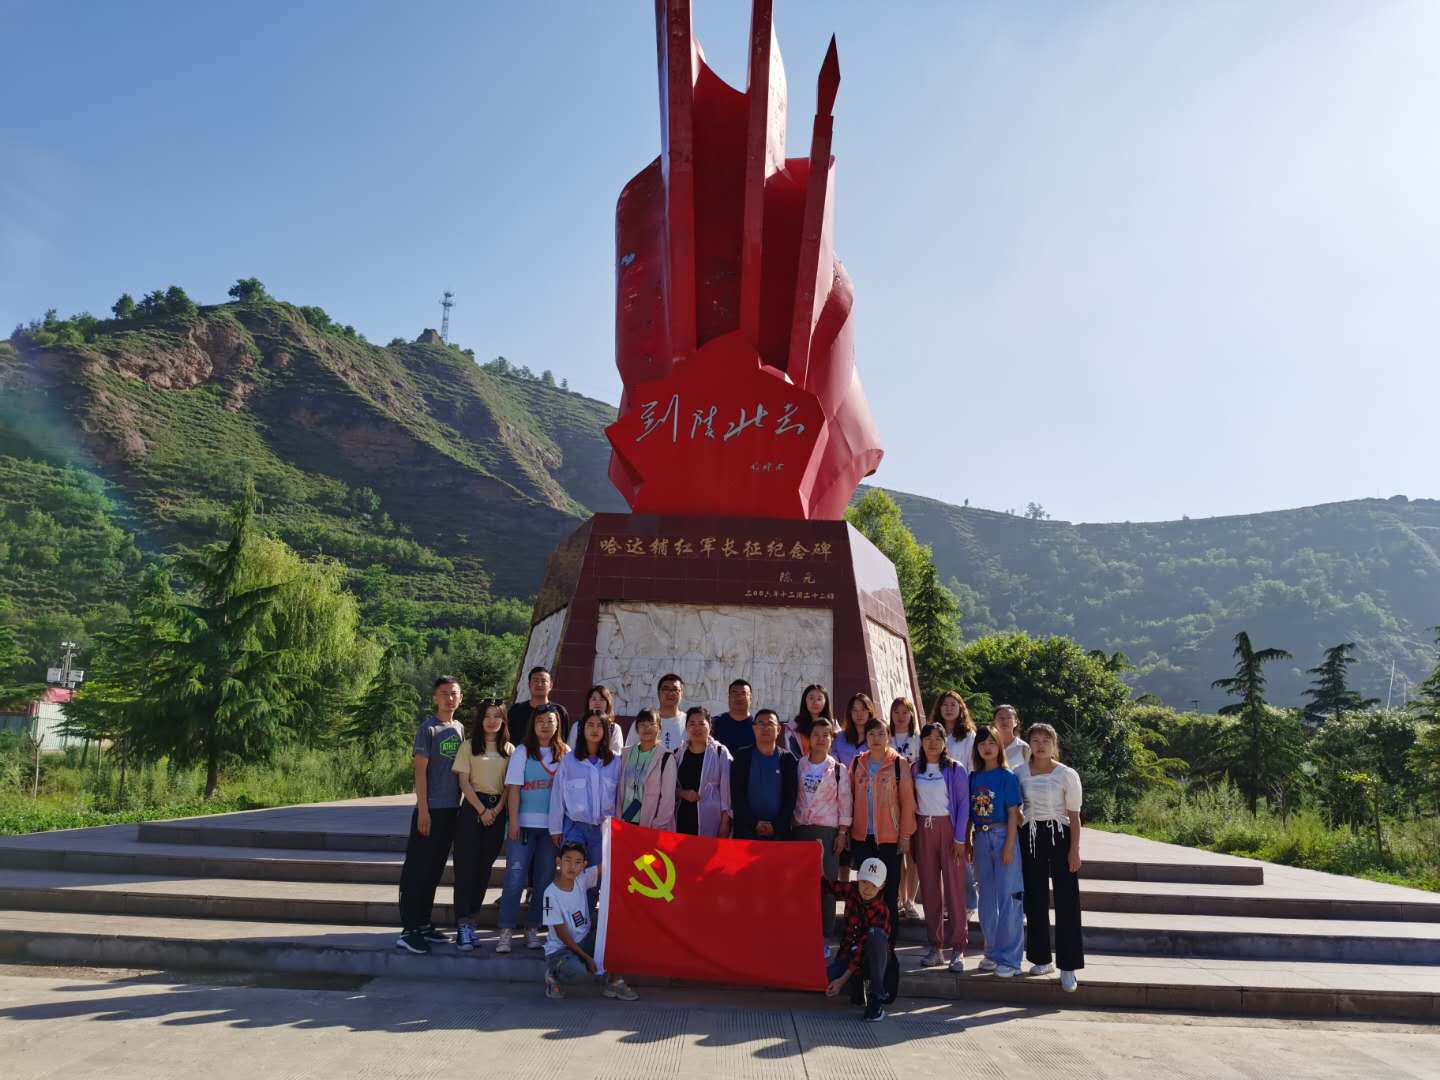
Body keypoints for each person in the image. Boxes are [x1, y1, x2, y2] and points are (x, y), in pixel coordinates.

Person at [396, 676, 465, 954]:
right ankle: (409, 930)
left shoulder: (459, 728)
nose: (450, 698)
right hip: (430, 810)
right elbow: (420, 772)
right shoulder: (428, 729)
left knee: (434, 870)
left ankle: (424, 923)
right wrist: (423, 809)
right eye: (444, 693)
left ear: (461, 697)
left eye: (454, 693)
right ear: (435, 697)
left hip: (451, 810)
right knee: (418, 871)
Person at [1015, 722, 1084, 992]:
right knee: (1035, 898)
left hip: (1060, 836)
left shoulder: (1066, 774)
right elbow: (1015, 809)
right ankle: (1041, 959)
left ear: (1054, 744)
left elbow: (1075, 817)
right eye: (1036, 740)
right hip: (1030, 836)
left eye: (1046, 740)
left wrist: (1074, 850)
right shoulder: (1019, 773)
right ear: (1029, 744)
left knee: (1067, 900)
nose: (1040, 745)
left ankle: (1068, 966)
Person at [496, 704, 568, 955]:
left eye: (550, 721)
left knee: (544, 881)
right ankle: (505, 930)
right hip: (523, 827)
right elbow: (514, 789)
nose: (545, 726)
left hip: (552, 830)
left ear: (558, 724)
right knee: (514, 878)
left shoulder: (566, 753)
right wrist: (513, 822)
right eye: (540, 721)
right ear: (533, 725)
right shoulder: (523, 752)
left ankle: (533, 928)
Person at [451, 698, 512, 953]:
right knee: (465, 869)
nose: (491, 721)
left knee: (483, 869)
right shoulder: (468, 746)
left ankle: (472, 920)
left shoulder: (509, 749)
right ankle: (462, 925)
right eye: (487, 715)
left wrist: (495, 811)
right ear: (480, 719)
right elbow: (463, 782)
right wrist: (482, 810)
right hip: (472, 810)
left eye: (497, 716)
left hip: (497, 812)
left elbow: (509, 786)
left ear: (503, 720)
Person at [542, 841, 639, 1001]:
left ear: (584, 865)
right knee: (579, 972)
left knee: (617, 933)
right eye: (567, 860)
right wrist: (587, 958)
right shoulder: (550, 894)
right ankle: (553, 974)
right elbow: (562, 934)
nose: (572, 866)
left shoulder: (581, 878)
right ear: (558, 861)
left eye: (578, 862)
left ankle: (614, 982)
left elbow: (606, 866)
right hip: (561, 950)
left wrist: (629, 851)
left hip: (585, 940)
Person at [548, 712, 622, 917]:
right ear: (582, 730)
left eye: (600, 725)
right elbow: (557, 796)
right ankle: (567, 922)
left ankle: (585, 924)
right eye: (590, 725)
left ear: (606, 731)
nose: (595, 729)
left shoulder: (615, 762)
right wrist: (555, 828)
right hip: (575, 827)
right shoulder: (569, 760)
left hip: (602, 831)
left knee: (595, 880)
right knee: (572, 875)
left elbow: (620, 797)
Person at [911, 722, 970, 972]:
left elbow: (964, 804)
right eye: (928, 738)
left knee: (954, 890)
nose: (933, 742)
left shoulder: (955, 769)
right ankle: (935, 947)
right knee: (930, 890)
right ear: (921, 742)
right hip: (924, 829)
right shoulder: (915, 768)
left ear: (945, 742)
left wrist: (960, 838)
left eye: (938, 738)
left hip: (949, 830)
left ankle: (958, 948)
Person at [847, 717, 916, 931]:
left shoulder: (898, 764)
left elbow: (908, 803)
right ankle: (864, 938)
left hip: (890, 839)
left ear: (889, 736)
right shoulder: (857, 763)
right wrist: (846, 831)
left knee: (889, 891)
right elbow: (849, 798)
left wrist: (905, 836)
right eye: (871, 734)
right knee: (866, 892)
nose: (876, 738)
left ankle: (888, 939)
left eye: (881, 734)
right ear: (865, 737)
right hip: (862, 838)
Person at [968, 724, 1024, 977]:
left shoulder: (1007, 776)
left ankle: (1010, 959)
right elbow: (970, 814)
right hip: (981, 838)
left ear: (999, 746)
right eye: (982, 744)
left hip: (1003, 836)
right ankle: (991, 951)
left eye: (991, 743)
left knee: (1008, 897)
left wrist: (1009, 846)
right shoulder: (973, 777)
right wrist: (968, 841)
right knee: (987, 899)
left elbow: (1013, 814)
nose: (987, 748)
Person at [792, 719, 851, 946]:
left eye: (826, 735)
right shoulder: (799, 765)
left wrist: (842, 833)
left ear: (831, 739)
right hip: (801, 829)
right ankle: (803, 931)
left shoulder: (838, 770)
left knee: (826, 885)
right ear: (809, 738)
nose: (820, 739)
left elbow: (845, 803)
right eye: (816, 734)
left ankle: (825, 935)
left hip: (827, 831)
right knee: (802, 884)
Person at [823, 857, 894, 1022]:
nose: (867, 889)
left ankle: (876, 999)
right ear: (857, 879)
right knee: (823, 980)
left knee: (875, 935)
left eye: (874, 885)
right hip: (848, 958)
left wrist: (841, 981)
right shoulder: (852, 889)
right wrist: (819, 857)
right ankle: (857, 987)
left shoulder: (881, 910)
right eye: (864, 882)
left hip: (871, 961)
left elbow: (861, 951)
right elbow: (826, 885)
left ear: (882, 886)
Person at [730, 709, 798, 840]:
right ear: (754, 728)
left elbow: (791, 798)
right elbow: (736, 794)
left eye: (770, 724)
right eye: (761, 723)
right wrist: (754, 824)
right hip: (746, 832)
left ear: (778, 729)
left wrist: (776, 826)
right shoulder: (742, 756)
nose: (765, 727)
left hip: (778, 834)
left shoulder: (787, 759)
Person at [672, 705, 733, 837]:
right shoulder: (678, 753)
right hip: (682, 817)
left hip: (711, 818)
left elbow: (727, 790)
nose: (697, 728)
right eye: (692, 724)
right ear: (686, 727)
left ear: (709, 726)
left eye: (701, 723)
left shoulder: (720, 752)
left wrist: (725, 822)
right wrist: (682, 793)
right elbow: (669, 787)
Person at [615, 708, 677, 829]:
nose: (647, 728)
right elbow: (618, 790)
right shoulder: (626, 754)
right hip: (625, 821)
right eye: (642, 724)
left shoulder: (666, 758)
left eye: (652, 724)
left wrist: (657, 825)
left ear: (659, 728)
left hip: (652, 825)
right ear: (637, 728)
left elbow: (668, 799)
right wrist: (619, 819)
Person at [889, 696, 922, 919]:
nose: (900, 716)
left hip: (916, 799)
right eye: (896, 712)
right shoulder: (886, 737)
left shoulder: (918, 739)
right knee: (898, 852)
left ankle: (911, 900)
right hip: (891, 801)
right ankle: (900, 898)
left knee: (913, 854)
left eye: (905, 712)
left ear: (911, 715)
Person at [625, 673, 687, 752]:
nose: (670, 693)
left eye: (675, 689)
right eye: (666, 689)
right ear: (658, 693)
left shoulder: (690, 722)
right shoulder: (642, 721)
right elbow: (629, 752)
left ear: (681, 694)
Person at [509, 666, 569, 747]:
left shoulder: (559, 711)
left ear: (551, 685)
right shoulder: (516, 710)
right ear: (529, 685)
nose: (539, 684)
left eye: (543, 681)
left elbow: (563, 740)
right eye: (535, 681)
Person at [566, 684, 624, 757]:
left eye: (602, 699)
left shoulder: (614, 728)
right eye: (594, 699)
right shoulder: (578, 726)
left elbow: (617, 755)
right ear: (588, 703)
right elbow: (570, 752)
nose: (597, 702)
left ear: (607, 703)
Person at [784, 683, 832, 759]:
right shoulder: (792, 728)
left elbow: (837, 753)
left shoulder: (834, 727)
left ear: (825, 702)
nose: (815, 702)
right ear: (805, 701)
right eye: (811, 698)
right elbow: (792, 755)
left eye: (819, 699)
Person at [930, 689, 976, 768]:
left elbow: (972, 765)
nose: (949, 709)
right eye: (945, 705)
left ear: (960, 708)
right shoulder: (931, 732)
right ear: (939, 708)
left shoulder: (968, 735)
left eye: (953, 705)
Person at [711, 678, 756, 756]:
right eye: (735, 693)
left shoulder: (758, 726)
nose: (739, 697)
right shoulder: (714, 723)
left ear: (750, 699)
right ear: (728, 698)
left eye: (743, 693)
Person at [835, 692, 874, 768]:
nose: (859, 714)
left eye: (863, 710)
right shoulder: (840, 737)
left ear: (869, 712)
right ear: (850, 713)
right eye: (855, 710)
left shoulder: (875, 737)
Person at [993, 704, 1031, 769]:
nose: (1004, 721)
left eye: (1009, 718)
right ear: (994, 722)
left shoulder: (1023, 747)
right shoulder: (987, 745)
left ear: (1015, 722)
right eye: (1000, 718)